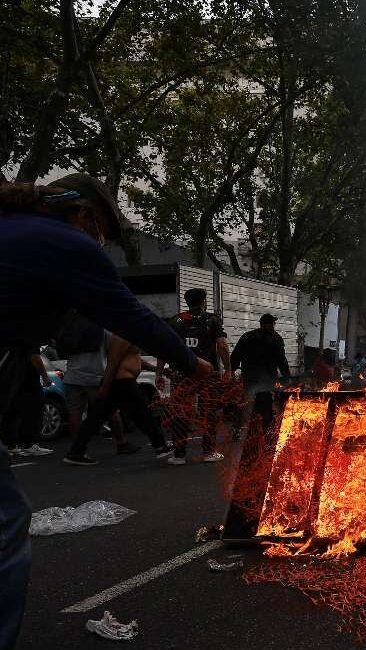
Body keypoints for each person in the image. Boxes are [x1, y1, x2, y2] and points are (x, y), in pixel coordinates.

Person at [0, 173, 209, 650]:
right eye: (103, 236)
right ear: (87, 217)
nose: (101, 246)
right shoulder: (66, 241)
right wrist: (192, 363)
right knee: (7, 523)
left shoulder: (14, 228)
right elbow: (130, 316)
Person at [62, 334, 174, 465]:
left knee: (97, 417)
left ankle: (76, 451)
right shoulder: (121, 335)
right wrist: (105, 386)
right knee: (143, 414)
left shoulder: (130, 333)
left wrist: (156, 370)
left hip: (121, 382)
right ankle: (160, 445)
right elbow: (113, 362)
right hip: (121, 382)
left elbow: (136, 360)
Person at [162, 287, 230, 465]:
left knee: (180, 411)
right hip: (207, 374)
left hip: (181, 374)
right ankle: (208, 452)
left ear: (187, 301)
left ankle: (179, 455)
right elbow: (222, 346)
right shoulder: (211, 320)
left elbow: (164, 347)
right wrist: (228, 369)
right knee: (208, 411)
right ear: (203, 301)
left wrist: (158, 372)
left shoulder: (176, 320)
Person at [59, 316, 135, 455]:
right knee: (110, 410)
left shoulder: (69, 328)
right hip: (94, 377)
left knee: (75, 414)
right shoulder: (101, 329)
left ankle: (78, 448)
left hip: (72, 376)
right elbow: (115, 349)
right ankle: (121, 443)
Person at [231, 314, 291, 437]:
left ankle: (238, 430)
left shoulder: (247, 336)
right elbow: (282, 361)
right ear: (271, 324)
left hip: (249, 379)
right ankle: (266, 434)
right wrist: (287, 377)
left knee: (246, 404)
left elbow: (235, 355)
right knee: (265, 408)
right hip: (266, 382)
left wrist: (231, 369)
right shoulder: (276, 338)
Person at [0, 354, 52, 458]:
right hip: (28, 380)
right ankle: (29, 445)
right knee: (33, 411)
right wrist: (45, 376)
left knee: (12, 412)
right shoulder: (28, 341)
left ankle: (11, 445)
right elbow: (35, 357)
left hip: (10, 379)